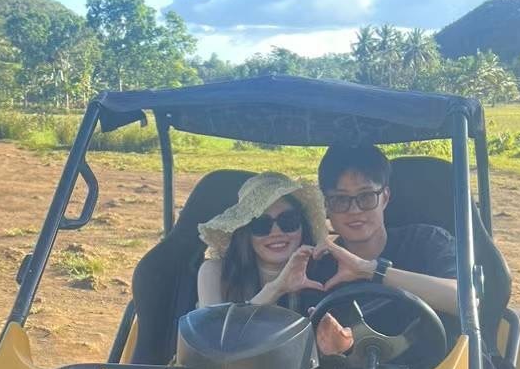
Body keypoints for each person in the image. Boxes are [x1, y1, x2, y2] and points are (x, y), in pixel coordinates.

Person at [310, 142, 459, 356]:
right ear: (327, 206)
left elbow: (466, 301)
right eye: (340, 200)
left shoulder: (428, 242)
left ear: (385, 197)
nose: (354, 210)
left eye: (366, 196)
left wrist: (369, 270)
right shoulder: (319, 268)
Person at [197, 173, 329, 309]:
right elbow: (213, 330)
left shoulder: (325, 269)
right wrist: (275, 290)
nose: (276, 232)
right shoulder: (217, 272)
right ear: (245, 232)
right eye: (261, 224)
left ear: (303, 226)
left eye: (288, 220)